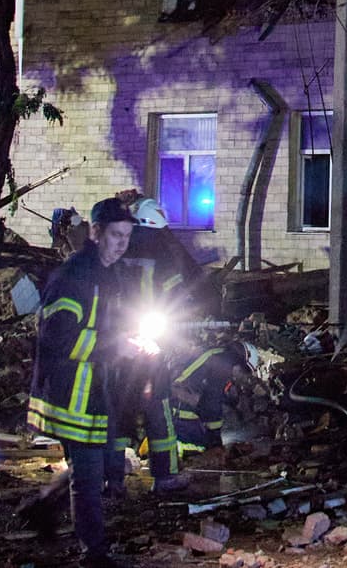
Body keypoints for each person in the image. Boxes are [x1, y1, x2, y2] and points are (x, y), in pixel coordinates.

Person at [24, 196, 141, 566]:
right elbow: (57, 335)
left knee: (97, 466)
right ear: (95, 233)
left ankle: (41, 507)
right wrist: (116, 346)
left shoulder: (107, 274)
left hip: (92, 390)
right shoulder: (76, 275)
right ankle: (95, 555)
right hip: (69, 392)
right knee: (88, 478)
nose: (122, 243)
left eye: (127, 235)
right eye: (115, 235)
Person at [108, 195, 204, 495]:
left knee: (127, 409)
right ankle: (160, 477)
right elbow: (177, 292)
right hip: (134, 344)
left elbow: (175, 293)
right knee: (155, 408)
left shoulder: (121, 250)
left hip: (129, 343)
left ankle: (116, 480)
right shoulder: (153, 252)